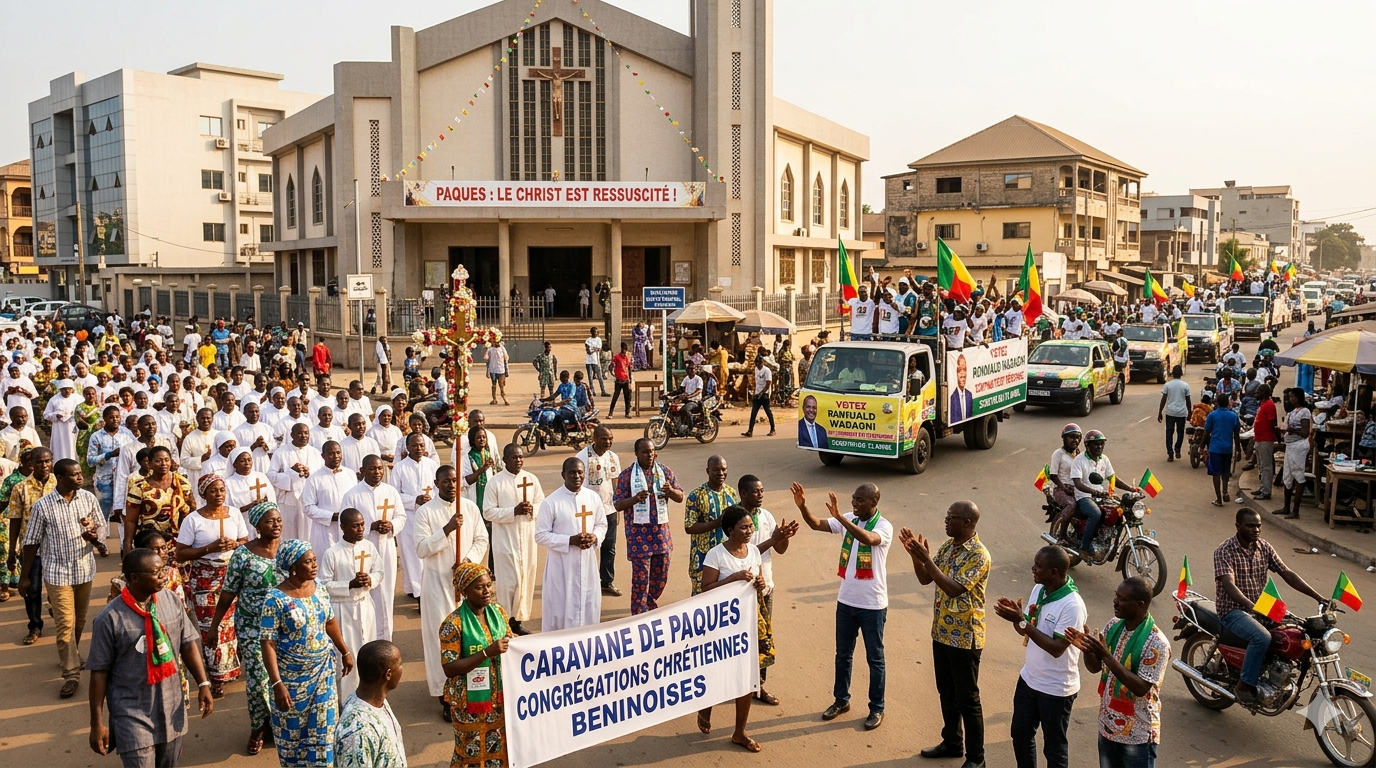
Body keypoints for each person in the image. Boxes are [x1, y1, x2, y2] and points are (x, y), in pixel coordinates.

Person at [87, 546, 214, 767]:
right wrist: (96, 723)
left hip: (171, 706)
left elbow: (187, 642)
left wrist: (203, 683)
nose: (164, 575)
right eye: (156, 572)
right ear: (134, 578)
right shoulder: (108, 619)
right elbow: (99, 672)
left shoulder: (170, 600)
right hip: (132, 713)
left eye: (163, 569)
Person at [790, 481, 891, 730]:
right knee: (842, 656)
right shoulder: (849, 518)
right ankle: (840, 700)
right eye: (853, 499)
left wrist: (842, 520)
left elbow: (868, 538)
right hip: (846, 601)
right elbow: (816, 524)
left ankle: (877, 708)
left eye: (860, 500)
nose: (854, 503)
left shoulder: (883, 525)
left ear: (874, 503)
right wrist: (803, 507)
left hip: (873, 605)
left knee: (875, 659)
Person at [901, 501, 989, 766]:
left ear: (967, 523)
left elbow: (954, 588)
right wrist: (918, 559)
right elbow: (926, 579)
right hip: (941, 632)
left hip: (965, 636)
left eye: (951, 518)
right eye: (947, 516)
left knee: (968, 699)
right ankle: (952, 742)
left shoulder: (978, 554)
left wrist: (927, 560)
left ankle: (977, 759)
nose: (946, 521)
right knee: (946, 692)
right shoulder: (947, 547)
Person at [1212, 508, 1326, 704]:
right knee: (1261, 637)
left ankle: (1278, 675)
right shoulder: (1224, 551)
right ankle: (1244, 684)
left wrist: (1319, 597)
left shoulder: (1264, 547)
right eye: (1250, 526)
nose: (1256, 530)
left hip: (1262, 606)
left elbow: (1287, 573)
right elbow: (1228, 584)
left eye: (1258, 526)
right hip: (1233, 610)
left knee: (1299, 630)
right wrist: (1250, 605)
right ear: (1238, 526)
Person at [19, 457, 107, 698]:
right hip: (57, 573)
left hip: (84, 570)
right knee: (65, 624)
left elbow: (103, 529)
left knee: (79, 622)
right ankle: (71, 674)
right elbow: (31, 542)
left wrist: (94, 536)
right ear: (60, 477)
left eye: (80, 474)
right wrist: (24, 577)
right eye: (75, 475)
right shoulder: (43, 506)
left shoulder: (88, 499)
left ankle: (72, 653)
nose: (81, 478)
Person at [260, 539, 353, 767]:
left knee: (324, 734)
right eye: (308, 562)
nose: (314, 565)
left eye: (314, 560)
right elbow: (267, 644)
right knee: (292, 739)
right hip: (291, 681)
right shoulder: (275, 599)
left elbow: (330, 622)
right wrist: (276, 684)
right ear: (293, 567)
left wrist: (345, 651)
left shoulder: (319, 587)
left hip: (322, 673)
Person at [994, 546, 1086, 768]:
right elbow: (1027, 628)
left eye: (1038, 566)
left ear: (1054, 572)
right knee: (1020, 734)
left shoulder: (1072, 606)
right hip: (1029, 679)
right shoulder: (1040, 589)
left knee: (1054, 748)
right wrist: (1016, 618)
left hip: (1056, 689)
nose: (1033, 569)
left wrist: (1022, 622)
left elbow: (1056, 648)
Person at [1064, 579, 1171, 768]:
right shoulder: (1114, 625)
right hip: (1107, 727)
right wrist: (1087, 650)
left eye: (1121, 599)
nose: (1115, 601)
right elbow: (1095, 667)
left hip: (1138, 736)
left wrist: (1106, 655)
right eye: (1116, 595)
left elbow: (1140, 688)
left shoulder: (1157, 643)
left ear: (1140, 605)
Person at [695, 504, 771, 751]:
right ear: (730, 530)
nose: (749, 531)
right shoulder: (716, 554)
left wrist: (759, 583)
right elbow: (705, 588)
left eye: (751, 527)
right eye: (744, 528)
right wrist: (733, 578)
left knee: (746, 679)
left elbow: (756, 584)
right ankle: (706, 707)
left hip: (747, 623)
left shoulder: (753, 552)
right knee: (717, 673)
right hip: (721, 625)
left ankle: (740, 732)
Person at [416, 464, 488, 720]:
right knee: (442, 639)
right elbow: (421, 549)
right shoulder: (425, 512)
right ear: (436, 484)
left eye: (455, 480)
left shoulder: (469, 507)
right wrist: (446, 530)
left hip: (466, 587)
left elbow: (481, 538)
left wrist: (468, 562)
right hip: (437, 585)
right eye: (445, 481)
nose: (451, 485)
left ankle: (471, 690)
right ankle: (445, 695)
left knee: (469, 638)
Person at [211, 501, 281, 755]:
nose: (276, 525)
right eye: (270, 521)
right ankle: (257, 728)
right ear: (257, 525)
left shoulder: (287, 550)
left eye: (279, 520)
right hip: (252, 627)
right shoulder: (243, 554)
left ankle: (278, 724)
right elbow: (229, 592)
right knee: (258, 681)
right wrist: (215, 627)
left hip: (284, 627)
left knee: (284, 677)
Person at [173, 474, 250, 698]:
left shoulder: (234, 513)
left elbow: (245, 542)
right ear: (204, 493)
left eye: (222, 490)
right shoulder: (193, 520)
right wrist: (209, 548)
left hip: (233, 574)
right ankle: (215, 678)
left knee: (234, 624)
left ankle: (232, 668)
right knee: (211, 626)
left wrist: (234, 544)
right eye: (214, 491)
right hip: (205, 578)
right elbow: (180, 554)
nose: (219, 495)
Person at [441, 562, 512, 768]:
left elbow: (509, 640)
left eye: (489, 585)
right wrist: (486, 653)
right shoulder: (453, 624)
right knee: (471, 752)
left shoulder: (498, 612)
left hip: (497, 697)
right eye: (479, 587)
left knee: (498, 747)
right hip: (468, 704)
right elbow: (449, 668)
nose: (487, 591)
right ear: (465, 591)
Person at [613, 438, 685, 615]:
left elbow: (680, 496)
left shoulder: (665, 472)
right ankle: (638, 615)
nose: (650, 455)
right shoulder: (627, 476)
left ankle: (650, 605)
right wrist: (635, 499)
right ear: (636, 454)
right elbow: (617, 504)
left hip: (661, 535)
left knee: (660, 576)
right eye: (645, 452)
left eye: (652, 451)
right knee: (641, 579)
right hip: (639, 536)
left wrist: (670, 491)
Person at [534, 457, 607, 631]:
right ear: (563, 474)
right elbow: (540, 535)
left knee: (588, 604)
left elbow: (602, 524)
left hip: (587, 562)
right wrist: (569, 541)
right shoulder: (551, 502)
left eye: (580, 472)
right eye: (572, 472)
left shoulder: (592, 497)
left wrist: (594, 537)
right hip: (561, 566)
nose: (576, 476)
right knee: (561, 608)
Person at [319, 509, 383, 701]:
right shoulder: (332, 553)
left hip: (365, 605)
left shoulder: (369, 547)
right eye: (355, 525)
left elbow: (379, 571)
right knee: (348, 656)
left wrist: (369, 579)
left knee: (368, 652)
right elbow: (323, 584)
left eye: (362, 524)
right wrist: (349, 584)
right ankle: (346, 700)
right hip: (343, 609)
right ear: (343, 527)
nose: (360, 529)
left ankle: (369, 696)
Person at [341, 455, 406, 641]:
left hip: (386, 548)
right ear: (362, 471)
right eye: (372, 468)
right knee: (366, 592)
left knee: (386, 593)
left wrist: (391, 525)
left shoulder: (391, 491)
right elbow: (344, 522)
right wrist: (369, 526)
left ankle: (387, 638)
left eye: (379, 469)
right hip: (362, 551)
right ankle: (368, 638)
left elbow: (401, 516)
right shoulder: (352, 495)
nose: (377, 472)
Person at [482, 443, 544, 635]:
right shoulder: (495, 482)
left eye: (520, 457)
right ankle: (504, 621)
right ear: (504, 459)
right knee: (509, 582)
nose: (518, 461)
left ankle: (518, 620)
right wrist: (513, 511)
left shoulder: (531, 479)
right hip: (505, 540)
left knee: (525, 578)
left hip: (527, 538)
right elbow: (488, 511)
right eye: (514, 457)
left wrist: (532, 509)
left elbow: (543, 504)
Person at [336, 640, 408, 768]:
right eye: (400, 664)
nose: (402, 667)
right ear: (388, 674)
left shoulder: (378, 701)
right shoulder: (357, 731)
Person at [1070, 431, 1142, 555]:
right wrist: (1094, 492)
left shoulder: (1104, 459)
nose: (1100, 447)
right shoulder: (1079, 460)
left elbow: (1113, 478)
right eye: (1096, 444)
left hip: (1102, 495)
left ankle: (1108, 540)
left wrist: (1131, 489)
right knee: (1096, 513)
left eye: (1102, 444)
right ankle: (1085, 546)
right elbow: (1077, 483)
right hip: (1084, 496)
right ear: (1087, 445)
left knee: (1121, 509)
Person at [392, 433, 440, 600]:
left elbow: (438, 489)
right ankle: (417, 591)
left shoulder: (432, 465)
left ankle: (429, 587)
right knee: (411, 554)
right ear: (407, 447)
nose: (418, 448)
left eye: (421, 445)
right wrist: (414, 500)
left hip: (429, 514)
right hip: (409, 516)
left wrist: (431, 499)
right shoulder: (400, 467)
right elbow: (395, 494)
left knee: (429, 550)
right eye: (414, 445)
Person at [575, 426, 621, 596]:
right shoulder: (583, 457)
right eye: (603, 439)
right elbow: (578, 484)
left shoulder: (613, 457)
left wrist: (617, 509)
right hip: (589, 511)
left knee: (609, 547)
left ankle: (606, 583)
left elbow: (615, 483)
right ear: (594, 438)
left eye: (610, 438)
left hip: (609, 509)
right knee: (587, 548)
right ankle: (585, 584)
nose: (607, 442)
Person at [684, 454, 738, 594]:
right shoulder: (696, 495)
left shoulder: (731, 493)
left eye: (723, 469)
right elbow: (689, 527)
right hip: (703, 557)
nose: (721, 473)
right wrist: (717, 523)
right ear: (708, 471)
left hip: (726, 556)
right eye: (716, 470)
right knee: (701, 598)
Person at [1203, 394, 1243, 507]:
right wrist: (1239, 450)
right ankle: (1225, 491)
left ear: (1217, 403)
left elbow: (1206, 432)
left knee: (1215, 473)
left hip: (1215, 448)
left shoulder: (1212, 415)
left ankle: (1219, 498)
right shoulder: (1233, 416)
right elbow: (1236, 435)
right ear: (1228, 403)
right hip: (1227, 449)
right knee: (1225, 472)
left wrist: (1202, 446)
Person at [1279, 387, 1312, 519]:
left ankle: (1295, 510)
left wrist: (1292, 430)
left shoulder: (1304, 412)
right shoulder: (1293, 412)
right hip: (1291, 446)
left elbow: (1305, 432)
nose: (1290, 399)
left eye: (1292, 396)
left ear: (1297, 397)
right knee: (1287, 475)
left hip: (1299, 446)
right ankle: (1286, 507)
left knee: (1298, 475)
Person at [1157, 365, 1191, 462]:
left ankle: (1170, 453)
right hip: (1181, 413)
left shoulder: (1168, 385)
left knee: (1169, 433)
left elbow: (1163, 399)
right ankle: (1177, 449)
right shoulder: (1185, 385)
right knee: (1180, 433)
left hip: (1170, 413)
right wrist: (1190, 412)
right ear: (1181, 374)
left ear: (1172, 373)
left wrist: (1160, 412)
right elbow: (1188, 400)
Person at [1250, 384, 1278, 502]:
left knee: (1266, 466)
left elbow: (1273, 423)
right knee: (1261, 465)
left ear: (1264, 393)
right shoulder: (1263, 404)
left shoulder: (1269, 405)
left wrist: (1277, 436)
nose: (1256, 394)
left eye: (1258, 392)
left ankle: (1266, 491)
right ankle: (1262, 488)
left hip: (1266, 439)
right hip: (1260, 438)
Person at [45, 379, 81, 462]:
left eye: (69, 388)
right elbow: (46, 414)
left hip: (73, 425)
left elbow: (83, 410)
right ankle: (60, 463)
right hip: (59, 427)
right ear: (60, 389)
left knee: (73, 445)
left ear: (72, 389)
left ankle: (74, 463)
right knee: (60, 445)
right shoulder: (54, 399)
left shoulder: (78, 398)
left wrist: (76, 414)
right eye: (65, 389)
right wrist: (55, 415)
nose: (67, 391)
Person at [741, 353, 776, 437]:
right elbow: (756, 382)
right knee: (753, 413)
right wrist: (754, 391)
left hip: (765, 395)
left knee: (768, 412)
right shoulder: (756, 369)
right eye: (756, 363)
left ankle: (773, 429)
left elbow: (768, 383)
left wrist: (762, 393)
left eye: (759, 363)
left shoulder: (767, 371)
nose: (758, 365)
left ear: (762, 362)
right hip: (757, 394)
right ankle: (750, 431)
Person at [609, 342, 633, 418]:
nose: (624, 353)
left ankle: (627, 412)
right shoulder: (617, 357)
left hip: (625, 380)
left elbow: (629, 368)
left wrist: (630, 379)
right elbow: (611, 365)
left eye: (625, 351)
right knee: (615, 396)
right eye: (623, 350)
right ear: (621, 349)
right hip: (618, 380)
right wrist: (612, 373)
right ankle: (610, 412)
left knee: (627, 397)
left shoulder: (627, 358)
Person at [485, 339, 510, 406]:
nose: (496, 343)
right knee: (494, 385)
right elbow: (486, 357)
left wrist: (506, 364)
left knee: (501, 385)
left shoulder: (502, 348)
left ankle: (505, 398)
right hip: (493, 370)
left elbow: (506, 357)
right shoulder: (490, 349)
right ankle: (494, 399)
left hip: (501, 370)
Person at [950, 353, 974, 423]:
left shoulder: (969, 395)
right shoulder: (952, 397)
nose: (963, 374)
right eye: (960, 370)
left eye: (965, 369)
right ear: (956, 373)